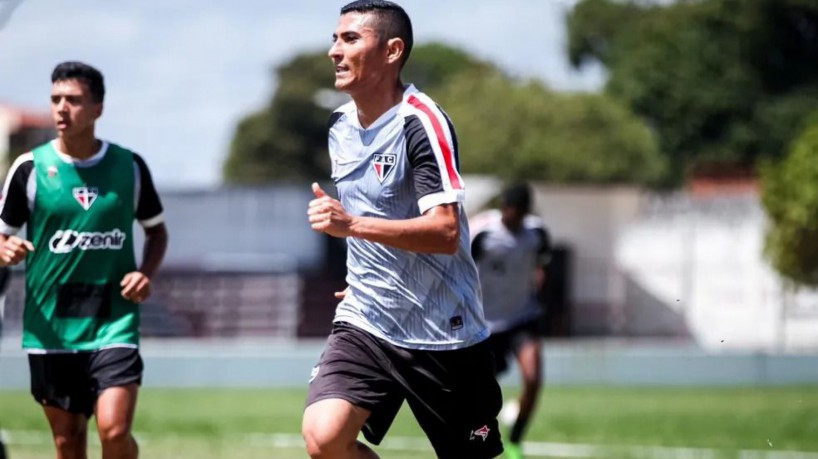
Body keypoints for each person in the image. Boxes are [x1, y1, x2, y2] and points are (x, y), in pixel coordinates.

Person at [302, 2, 504, 458]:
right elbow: (377, 212)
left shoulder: (421, 122)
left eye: (350, 39)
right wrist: (365, 274)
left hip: (444, 331)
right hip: (367, 320)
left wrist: (351, 225)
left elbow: (445, 230)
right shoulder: (339, 127)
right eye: (335, 38)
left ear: (392, 50)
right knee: (323, 438)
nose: (335, 50)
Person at [0, 61, 168, 459]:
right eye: (56, 99)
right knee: (67, 440)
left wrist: (145, 273)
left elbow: (156, 230)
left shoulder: (129, 166)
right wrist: (5, 249)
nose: (61, 108)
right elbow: (1, 235)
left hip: (115, 320)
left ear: (97, 108)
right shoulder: (29, 169)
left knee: (113, 431)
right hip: (50, 327)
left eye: (73, 100)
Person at [470, 183, 550, 459]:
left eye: (518, 213)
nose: (512, 217)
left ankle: (516, 440)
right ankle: (478, 438)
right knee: (481, 393)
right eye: (509, 210)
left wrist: (537, 281)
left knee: (533, 377)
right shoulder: (482, 232)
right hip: (485, 324)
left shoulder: (536, 233)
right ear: (503, 208)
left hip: (521, 318)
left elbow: (542, 264)